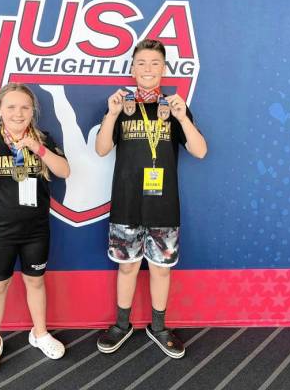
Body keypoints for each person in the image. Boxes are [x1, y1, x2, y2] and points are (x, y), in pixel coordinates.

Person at [95, 39, 207, 358]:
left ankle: (158, 327)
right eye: (141, 63)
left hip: (163, 207)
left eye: (155, 63)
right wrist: (112, 114)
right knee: (127, 268)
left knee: (160, 270)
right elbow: (102, 148)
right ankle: (121, 324)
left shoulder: (173, 108)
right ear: (132, 69)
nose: (148, 69)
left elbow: (200, 151)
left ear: (164, 69)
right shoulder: (120, 106)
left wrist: (183, 117)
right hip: (127, 204)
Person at [0, 83, 70, 375]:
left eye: (25, 107)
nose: (18, 112)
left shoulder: (43, 138)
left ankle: (39, 333)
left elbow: (64, 171)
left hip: (36, 229)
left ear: (33, 111)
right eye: (11, 107)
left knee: (35, 281)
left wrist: (37, 148)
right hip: (0, 230)